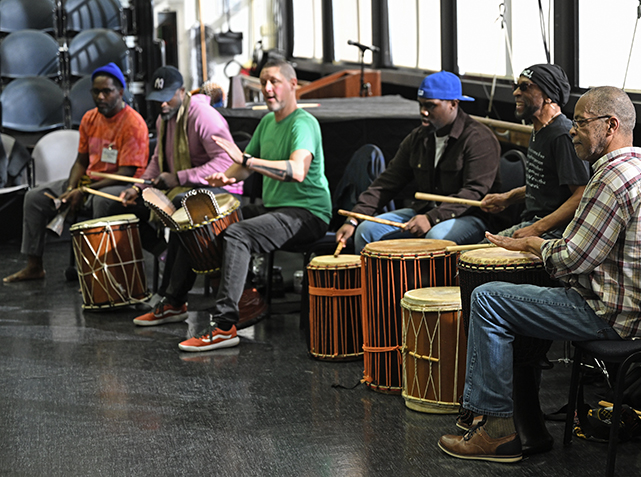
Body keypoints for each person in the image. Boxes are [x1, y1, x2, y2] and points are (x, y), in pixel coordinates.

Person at [438, 86, 641, 463]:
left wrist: (531, 244)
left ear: (611, 125)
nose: (571, 130)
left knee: (487, 299)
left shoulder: (610, 179)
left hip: (618, 318)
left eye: (581, 123)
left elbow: (572, 258)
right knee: (516, 294)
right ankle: (515, 422)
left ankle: (495, 431)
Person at [174, 58, 331, 351]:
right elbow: (244, 168)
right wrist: (225, 176)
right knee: (205, 220)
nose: (267, 89)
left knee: (238, 233)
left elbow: (296, 171)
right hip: (277, 209)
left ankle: (224, 326)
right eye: (262, 83)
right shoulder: (267, 122)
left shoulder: (304, 123)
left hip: (307, 213)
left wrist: (246, 161)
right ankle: (174, 301)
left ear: (293, 84)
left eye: (274, 82)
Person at [116, 65, 244, 325]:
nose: (162, 104)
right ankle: (167, 272)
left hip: (225, 189)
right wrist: (137, 187)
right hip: (191, 190)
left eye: (168, 97)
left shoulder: (202, 115)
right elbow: (156, 160)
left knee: (179, 206)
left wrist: (179, 178)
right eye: (157, 99)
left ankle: (172, 298)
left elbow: (224, 164)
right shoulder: (165, 118)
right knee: (138, 205)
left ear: (183, 92)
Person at [3, 62, 148, 283]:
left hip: (122, 185)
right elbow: (80, 161)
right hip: (89, 182)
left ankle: (98, 275)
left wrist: (84, 190)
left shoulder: (133, 123)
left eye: (106, 91)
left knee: (102, 204)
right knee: (34, 197)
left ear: (120, 91)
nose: (100, 97)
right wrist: (72, 188)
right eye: (96, 91)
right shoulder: (90, 119)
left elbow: (126, 171)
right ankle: (34, 267)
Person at [335, 71, 501, 254]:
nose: (423, 112)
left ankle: (432, 284)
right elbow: (386, 183)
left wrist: (431, 218)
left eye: (431, 106)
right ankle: (378, 283)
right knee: (366, 232)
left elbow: (473, 193)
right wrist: (354, 218)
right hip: (424, 213)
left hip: (469, 217)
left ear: (453, 104)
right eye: (421, 105)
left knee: (435, 238)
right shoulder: (418, 137)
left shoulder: (479, 139)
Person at [480, 64, 590, 239]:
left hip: (556, 231)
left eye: (525, 87)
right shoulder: (540, 130)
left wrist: (537, 229)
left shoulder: (562, 135)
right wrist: (507, 198)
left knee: (473, 256)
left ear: (548, 95)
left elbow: (581, 195)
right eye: (515, 87)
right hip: (534, 222)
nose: (516, 92)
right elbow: (545, 187)